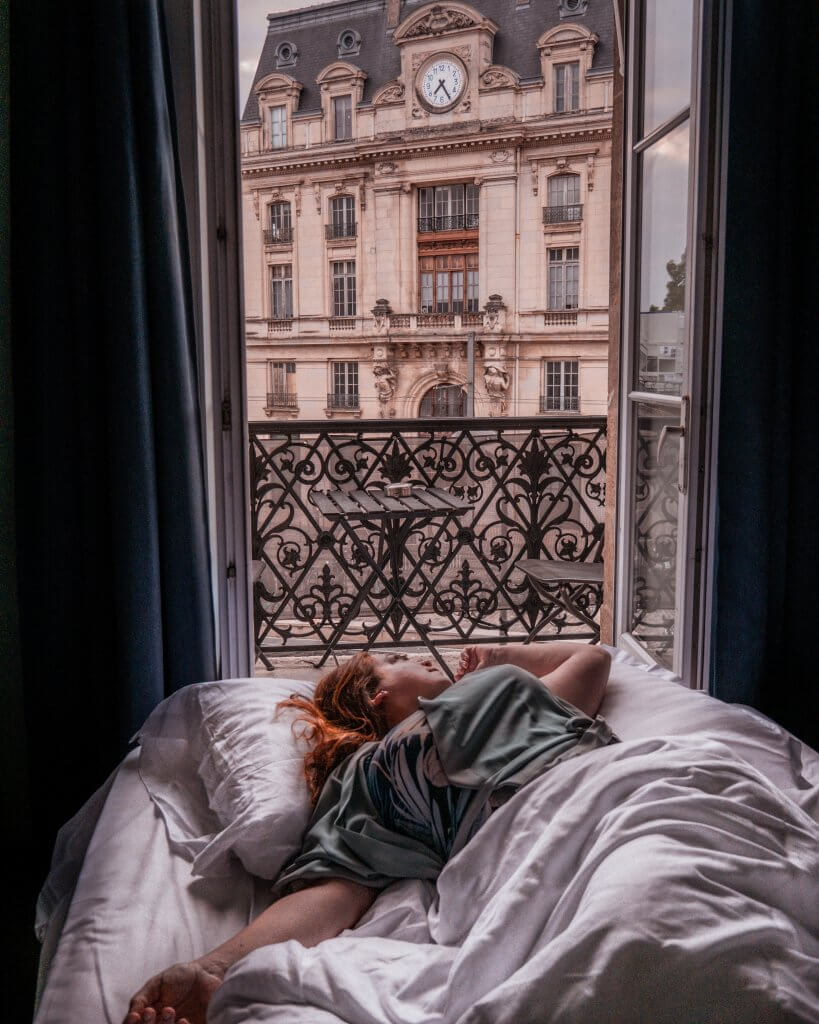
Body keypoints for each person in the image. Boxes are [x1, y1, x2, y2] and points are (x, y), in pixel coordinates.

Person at [124, 641, 615, 1024]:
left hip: (607, 794)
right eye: (398, 659)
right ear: (377, 696)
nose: (422, 657)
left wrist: (499, 657)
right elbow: (338, 888)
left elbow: (595, 659)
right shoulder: (369, 771)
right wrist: (213, 967)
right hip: (548, 846)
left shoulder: (483, 693)